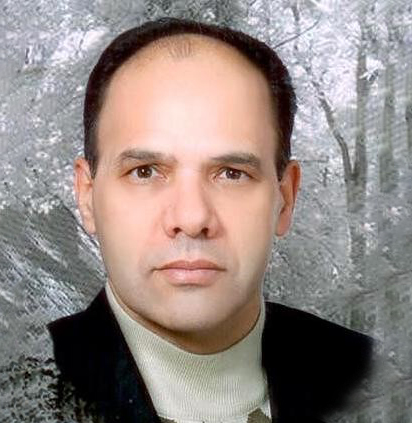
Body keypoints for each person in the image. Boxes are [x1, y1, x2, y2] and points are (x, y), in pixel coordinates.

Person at [47, 17, 373, 423]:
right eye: (145, 171)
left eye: (232, 174)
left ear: (285, 199)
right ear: (87, 196)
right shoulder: (11, 392)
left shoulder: (374, 380)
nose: (191, 218)